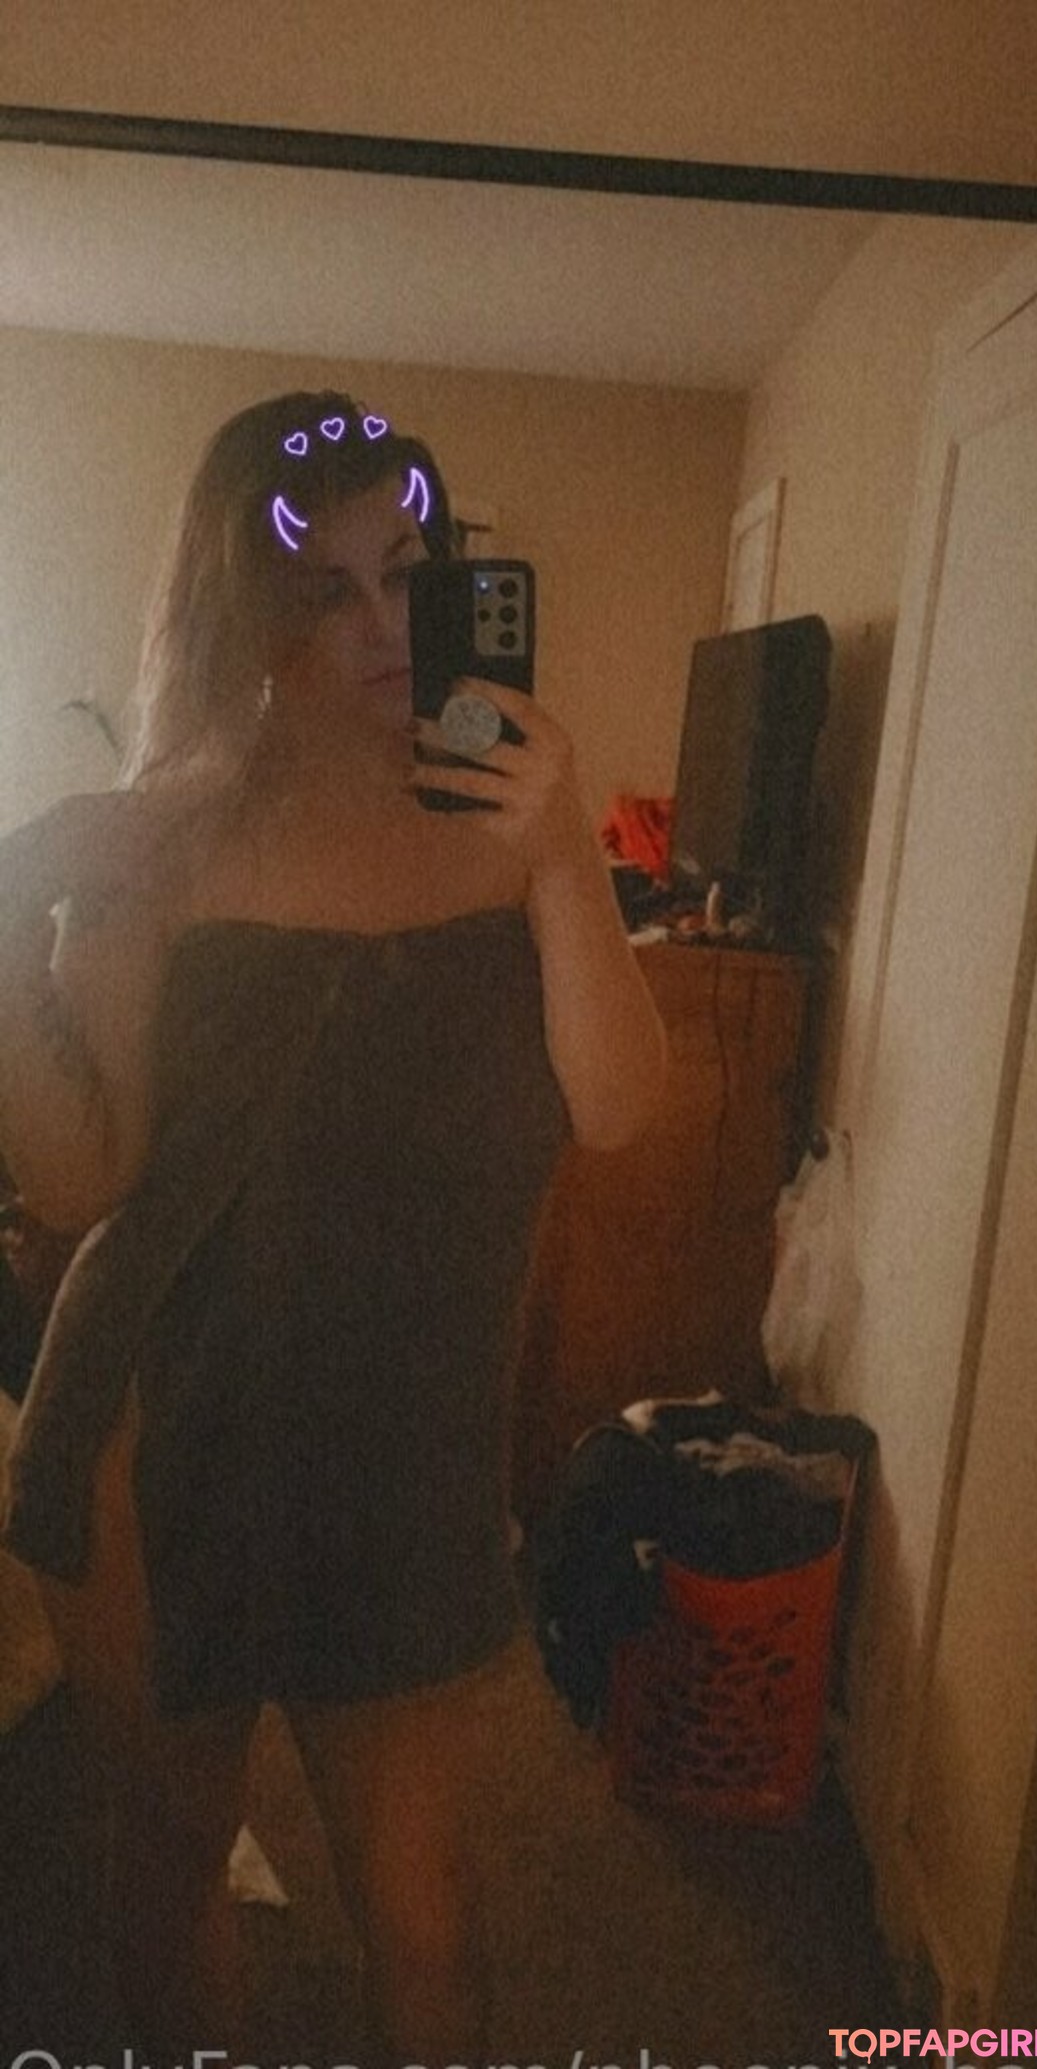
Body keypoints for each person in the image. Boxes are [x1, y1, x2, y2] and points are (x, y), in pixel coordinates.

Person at [0, 389, 667, 2059]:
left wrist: (564, 849)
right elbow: (82, 1180)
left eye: (409, 571)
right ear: (244, 608)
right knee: (174, 1859)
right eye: (325, 588)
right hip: (157, 1433)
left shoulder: (509, 814)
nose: (380, 624)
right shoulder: (167, 831)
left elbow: (615, 1104)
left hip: (404, 1448)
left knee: (428, 1913)